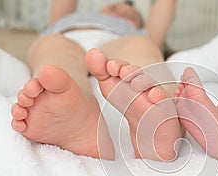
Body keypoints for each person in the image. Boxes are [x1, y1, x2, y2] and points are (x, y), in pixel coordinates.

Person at [10, 0, 183, 161]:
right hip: (65, 37)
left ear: (140, 25)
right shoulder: (64, 22)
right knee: (53, 52)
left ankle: (162, 112)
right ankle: (73, 116)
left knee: (142, 49)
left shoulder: (137, 34)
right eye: (114, 8)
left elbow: (165, 6)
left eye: (131, 17)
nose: (121, 13)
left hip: (117, 40)